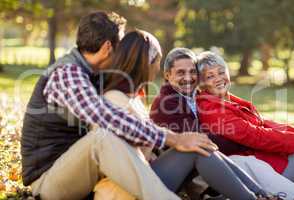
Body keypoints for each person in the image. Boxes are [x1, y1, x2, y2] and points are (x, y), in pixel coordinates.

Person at [20, 11, 217, 200]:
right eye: (121, 45)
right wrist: (172, 138)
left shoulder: (95, 75)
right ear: (107, 47)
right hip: (49, 181)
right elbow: (104, 116)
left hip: (85, 172)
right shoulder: (67, 73)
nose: (124, 51)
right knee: (102, 138)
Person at [103, 40, 278, 200]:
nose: (188, 77)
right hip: (153, 176)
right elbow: (205, 140)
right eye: (180, 72)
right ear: (167, 75)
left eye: (192, 72)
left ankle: (260, 194)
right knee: (198, 145)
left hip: (179, 171)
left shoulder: (193, 97)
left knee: (201, 146)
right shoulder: (166, 103)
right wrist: (242, 136)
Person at [196, 51, 294, 200]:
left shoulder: (229, 100)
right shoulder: (210, 109)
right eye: (210, 76)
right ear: (201, 84)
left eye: (221, 72)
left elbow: (266, 124)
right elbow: (255, 136)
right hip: (258, 171)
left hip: (269, 160)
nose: (218, 78)